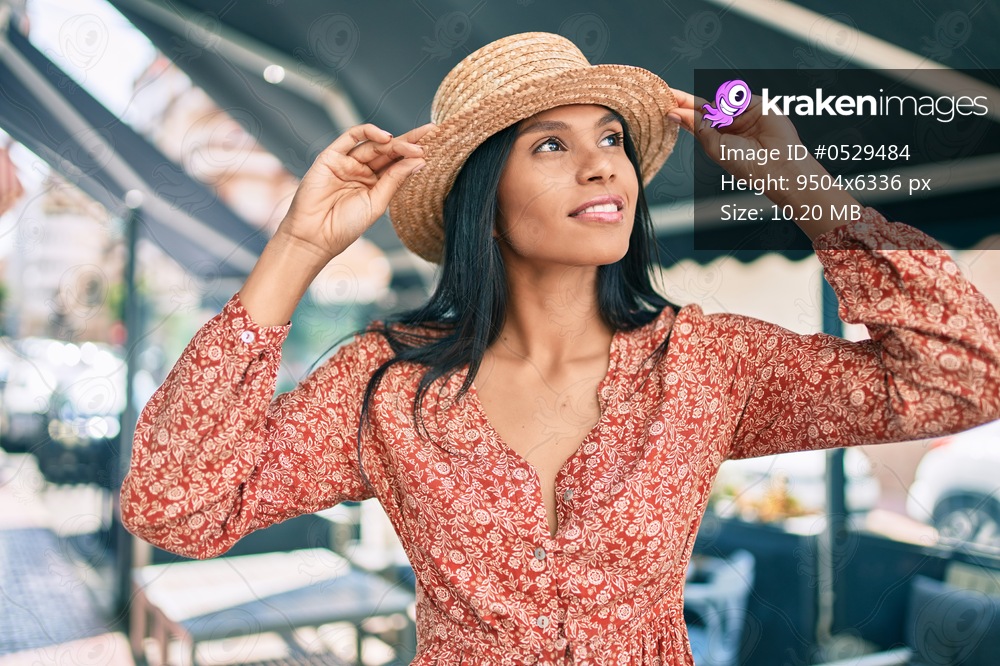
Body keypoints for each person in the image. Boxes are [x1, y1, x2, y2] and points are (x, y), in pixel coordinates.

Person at [121, 32, 1000, 665]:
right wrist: (298, 249)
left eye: (611, 140)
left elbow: (965, 375)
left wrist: (803, 188)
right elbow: (175, 508)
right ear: (482, 195)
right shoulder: (383, 382)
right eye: (552, 144)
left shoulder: (704, 365)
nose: (601, 167)